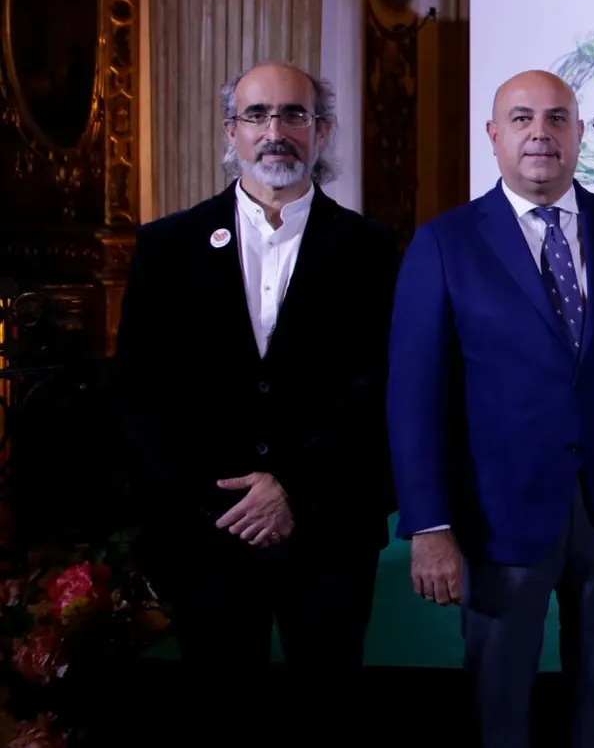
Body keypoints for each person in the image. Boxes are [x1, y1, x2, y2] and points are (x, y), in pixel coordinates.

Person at [114, 62, 398, 748]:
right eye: (258, 115)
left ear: (322, 131)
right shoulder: (166, 247)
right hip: (207, 533)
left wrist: (291, 488)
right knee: (218, 716)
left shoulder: (374, 249)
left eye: (294, 115)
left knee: (326, 715)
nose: (277, 132)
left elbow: (383, 393)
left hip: (329, 531)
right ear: (231, 132)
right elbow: (139, 398)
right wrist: (223, 505)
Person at [387, 70, 594, 748]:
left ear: (580, 133)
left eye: (557, 118)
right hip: (494, 521)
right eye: (522, 118)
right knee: (497, 710)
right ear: (493, 135)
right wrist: (428, 523)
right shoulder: (444, 243)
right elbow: (414, 395)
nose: (541, 133)